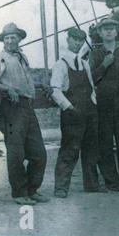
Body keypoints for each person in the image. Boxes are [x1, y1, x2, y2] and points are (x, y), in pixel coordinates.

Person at [0, 23, 49, 205]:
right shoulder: (0, 58)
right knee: (16, 153)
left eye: (13, 37)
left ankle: (32, 190)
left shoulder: (22, 57)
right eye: (7, 38)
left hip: (27, 106)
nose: (10, 41)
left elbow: (24, 80)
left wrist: (42, 85)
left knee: (39, 152)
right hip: (11, 108)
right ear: (3, 41)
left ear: (19, 39)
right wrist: (7, 89)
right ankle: (19, 193)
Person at [50, 28, 100, 198]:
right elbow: (55, 90)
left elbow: (92, 88)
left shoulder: (85, 64)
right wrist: (70, 108)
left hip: (89, 112)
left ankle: (92, 185)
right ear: (68, 40)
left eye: (81, 40)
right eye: (75, 40)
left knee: (91, 149)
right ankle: (61, 188)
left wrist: (93, 104)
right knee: (69, 150)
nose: (78, 43)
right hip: (72, 113)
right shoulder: (61, 64)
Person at [89, 18, 119, 191]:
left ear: (117, 32)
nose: (109, 32)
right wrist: (103, 65)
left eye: (112, 29)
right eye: (105, 29)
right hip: (103, 105)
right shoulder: (95, 53)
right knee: (105, 144)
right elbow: (90, 77)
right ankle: (111, 181)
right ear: (100, 33)